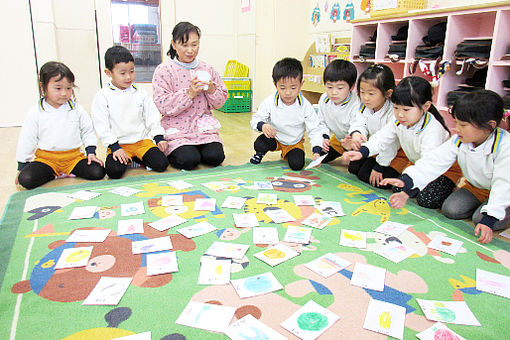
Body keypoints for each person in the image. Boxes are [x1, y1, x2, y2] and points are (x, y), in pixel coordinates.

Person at [381, 90, 510, 243]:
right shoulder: (459, 140)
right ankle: (486, 206)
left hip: (503, 192)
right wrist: (408, 183)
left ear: (490, 126)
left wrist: (490, 219)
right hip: (476, 188)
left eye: (463, 125)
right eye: (456, 123)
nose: (458, 129)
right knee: (451, 209)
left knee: (480, 219)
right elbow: (434, 161)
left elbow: (503, 184)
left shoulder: (505, 147)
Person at [343, 76, 462, 208]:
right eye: (396, 108)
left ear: (426, 106)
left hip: (443, 170)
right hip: (420, 165)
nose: (400, 114)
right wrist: (361, 152)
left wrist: (409, 190)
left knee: (426, 200)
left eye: (406, 110)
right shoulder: (399, 122)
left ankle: (451, 187)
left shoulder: (433, 130)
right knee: (398, 188)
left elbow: (430, 163)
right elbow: (381, 138)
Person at [15, 61, 105, 189]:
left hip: (73, 158)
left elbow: (87, 131)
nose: (64, 93)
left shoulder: (77, 109)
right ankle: (54, 174)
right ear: (43, 87)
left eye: (68, 88)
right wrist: (22, 166)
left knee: (98, 172)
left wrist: (91, 152)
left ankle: (68, 171)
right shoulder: (35, 112)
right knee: (26, 179)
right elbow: (27, 139)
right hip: (47, 160)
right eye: (58, 88)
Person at [152, 22, 227, 170]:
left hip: (202, 127)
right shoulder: (164, 70)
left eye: (194, 45)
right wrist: (189, 94)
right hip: (177, 128)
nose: (190, 50)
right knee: (188, 160)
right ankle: (187, 150)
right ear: (173, 44)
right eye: (184, 45)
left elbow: (220, 102)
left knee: (215, 157)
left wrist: (212, 90)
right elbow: (162, 105)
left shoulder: (207, 68)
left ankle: (198, 149)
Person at [91, 46, 169, 179]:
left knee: (162, 164)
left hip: (141, 142)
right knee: (114, 171)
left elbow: (152, 115)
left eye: (132, 71)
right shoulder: (102, 96)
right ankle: (131, 160)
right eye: (122, 73)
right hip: (120, 144)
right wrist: (114, 147)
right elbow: (101, 126)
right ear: (108, 73)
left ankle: (134, 160)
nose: (128, 77)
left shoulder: (140, 92)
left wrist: (158, 137)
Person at [249, 57, 325, 171]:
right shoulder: (269, 102)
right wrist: (262, 125)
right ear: (275, 85)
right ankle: (260, 153)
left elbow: (314, 129)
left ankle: (287, 154)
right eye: (282, 88)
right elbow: (255, 119)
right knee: (259, 144)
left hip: (294, 142)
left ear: (301, 84)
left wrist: (317, 150)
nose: (288, 92)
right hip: (275, 138)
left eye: (293, 87)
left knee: (297, 165)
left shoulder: (306, 106)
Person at [343, 64, 408, 188]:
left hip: (396, 153)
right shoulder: (363, 106)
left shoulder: (394, 112)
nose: (365, 97)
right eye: (362, 92)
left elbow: (390, 143)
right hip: (377, 148)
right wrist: (357, 134)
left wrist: (380, 167)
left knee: (370, 177)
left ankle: (402, 171)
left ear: (388, 93)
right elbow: (359, 123)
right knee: (354, 167)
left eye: (371, 94)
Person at [317, 59, 361, 164]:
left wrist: (352, 141)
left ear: (352, 86)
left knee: (355, 168)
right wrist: (325, 137)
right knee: (320, 155)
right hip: (338, 140)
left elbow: (357, 126)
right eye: (329, 87)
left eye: (340, 88)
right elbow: (321, 122)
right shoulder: (324, 99)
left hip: (355, 142)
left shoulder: (356, 103)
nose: (334, 92)